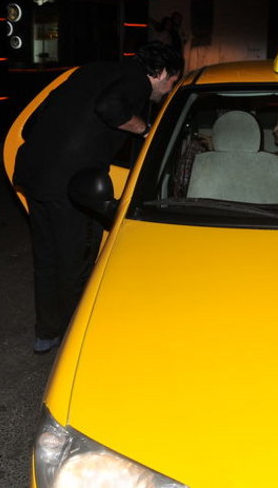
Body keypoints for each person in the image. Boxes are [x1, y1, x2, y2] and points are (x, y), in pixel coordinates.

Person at [13, 41, 184, 353]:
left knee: (47, 260)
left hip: (34, 175)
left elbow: (32, 123)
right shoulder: (137, 81)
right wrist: (145, 130)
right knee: (74, 264)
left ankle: (46, 334)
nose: (170, 89)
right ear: (160, 73)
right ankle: (74, 342)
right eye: (172, 81)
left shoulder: (91, 71)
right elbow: (110, 108)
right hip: (68, 186)